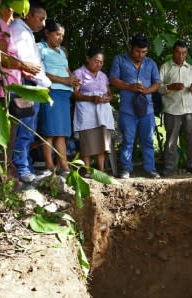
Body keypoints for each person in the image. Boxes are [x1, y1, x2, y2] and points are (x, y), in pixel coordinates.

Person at [0, 3, 41, 179]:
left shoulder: (7, 25)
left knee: (10, 136)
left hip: (9, 88)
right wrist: (23, 65)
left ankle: (4, 177)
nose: (12, 13)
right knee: (0, 137)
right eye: (10, 9)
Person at [10, 0, 52, 183]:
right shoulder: (18, 29)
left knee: (29, 129)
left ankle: (26, 166)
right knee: (24, 129)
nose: (43, 24)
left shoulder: (26, 32)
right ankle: (21, 169)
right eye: (40, 19)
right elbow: (25, 63)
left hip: (31, 86)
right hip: (25, 86)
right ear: (28, 14)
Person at [109, 34, 161, 179]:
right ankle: (126, 168)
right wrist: (129, 86)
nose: (141, 55)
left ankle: (150, 168)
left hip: (147, 108)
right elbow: (113, 79)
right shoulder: (119, 60)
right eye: (138, 51)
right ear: (131, 48)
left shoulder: (151, 63)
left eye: (144, 52)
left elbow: (157, 83)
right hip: (127, 108)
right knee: (128, 139)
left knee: (148, 140)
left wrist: (147, 90)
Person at [37, 19, 78, 176]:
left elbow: (68, 70)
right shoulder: (40, 48)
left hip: (64, 95)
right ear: (47, 33)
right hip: (50, 92)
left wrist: (73, 81)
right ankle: (49, 165)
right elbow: (41, 72)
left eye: (62, 35)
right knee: (49, 131)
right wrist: (64, 80)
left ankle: (64, 165)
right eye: (57, 34)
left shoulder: (62, 51)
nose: (60, 38)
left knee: (62, 132)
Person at [159, 41, 192, 177]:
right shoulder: (165, 68)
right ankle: (170, 167)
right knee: (171, 139)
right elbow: (158, 87)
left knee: (191, 138)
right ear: (173, 53)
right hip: (172, 109)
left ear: (186, 54)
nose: (181, 55)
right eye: (178, 52)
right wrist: (170, 87)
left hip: (189, 109)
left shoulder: (191, 69)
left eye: (184, 53)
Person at [72, 47, 114, 176]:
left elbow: (110, 93)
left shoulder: (103, 76)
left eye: (101, 62)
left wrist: (108, 97)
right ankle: (88, 170)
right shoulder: (79, 73)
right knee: (88, 141)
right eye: (96, 61)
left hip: (102, 112)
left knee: (102, 140)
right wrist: (91, 98)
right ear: (88, 58)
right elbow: (75, 94)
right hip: (86, 112)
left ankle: (101, 170)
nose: (99, 64)